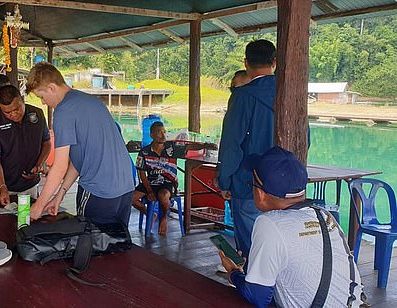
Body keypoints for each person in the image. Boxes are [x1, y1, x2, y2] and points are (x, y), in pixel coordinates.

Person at [218, 146, 367, 308]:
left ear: (260, 193)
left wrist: (233, 273)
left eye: (251, 185)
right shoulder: (324, 215)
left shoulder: (269, 223)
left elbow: (258, 297)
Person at [26, 62, 134, 225]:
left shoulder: (63, 111)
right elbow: (80, 159)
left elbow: (60, 166)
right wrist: (59, 195)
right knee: (118, 244)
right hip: (125, 188)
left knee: (89, 244)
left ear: (51, 88)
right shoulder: (91, 101)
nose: (43, 102)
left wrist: (38, 205)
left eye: (41, 96)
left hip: (99, 191)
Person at [217, 39, 276, 260]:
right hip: (285, 187)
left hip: (248, 184)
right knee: (278, 242)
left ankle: (253, 288)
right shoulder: (291, 92)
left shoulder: (242, 96)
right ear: (274, 62)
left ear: (246, 62)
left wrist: (224, 180)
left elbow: (232, 144)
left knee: (251, 244)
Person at [132, 121, 207, 235]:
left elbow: (189, 146)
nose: (163, 135)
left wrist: (205, 145)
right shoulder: (144, 152)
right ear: (151, 135)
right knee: (130, 199)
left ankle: (163, 218)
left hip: (168, 183)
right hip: (151, 183)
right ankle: (150, 214)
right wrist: (150, 191)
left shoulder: (171, 147)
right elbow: (142, 173)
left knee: (163, 196)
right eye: (159, 132)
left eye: (164, 132)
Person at [0, 84, 51, 205]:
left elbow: (46, 143)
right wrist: (2, 187)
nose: (14, 114)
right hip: (0, 189)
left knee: (30, 222)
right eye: (8, 112)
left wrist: (39, 164)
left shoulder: (37, 115)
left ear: (22, 99)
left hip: (30, 186)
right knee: (1, 223)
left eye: (17, 109)